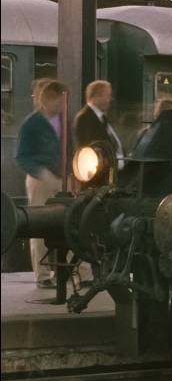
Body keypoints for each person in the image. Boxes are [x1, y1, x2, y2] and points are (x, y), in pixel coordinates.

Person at [15, 79, 68, 288]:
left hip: (62, 178)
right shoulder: (31, 123)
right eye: (59, 101)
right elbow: (21, 156)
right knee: (39, 225)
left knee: (71, 222)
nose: (62, 105)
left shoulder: (63, 120)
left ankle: (77, 272)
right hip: (40, 180)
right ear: (47, 100)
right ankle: (43, 275)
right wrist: (40, 172)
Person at [73, 80, 125, 173]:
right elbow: (89, 148)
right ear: (97, 96)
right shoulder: (85, 118)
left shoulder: (102, 118)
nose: (110, 100)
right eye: (107, 95)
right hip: (98, 173)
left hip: (113, 170)